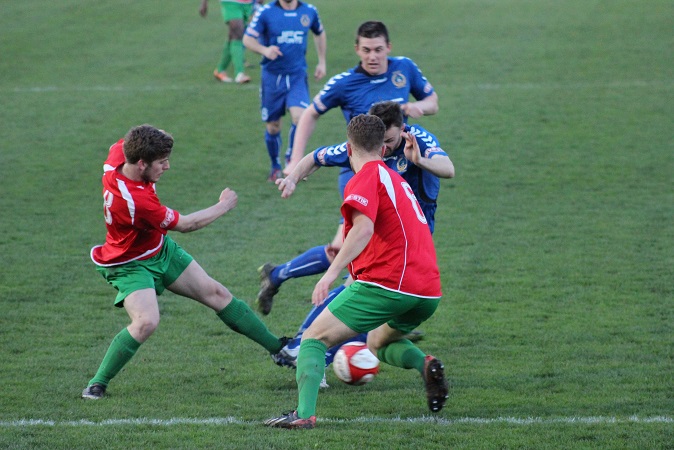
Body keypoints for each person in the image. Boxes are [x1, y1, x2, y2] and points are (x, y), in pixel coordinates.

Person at [264, 114, 449, 429]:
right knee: (377, 342)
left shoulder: (365, 178)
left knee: (313, 339)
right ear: (383, 149)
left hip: (390, 284)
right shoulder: (396, 179)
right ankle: (426, 364)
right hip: (428, 290)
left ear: (349, 149)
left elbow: (363, 230)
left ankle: (304, 415)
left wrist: (330, 274)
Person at [82, 125, 288, 399]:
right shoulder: (135, 201)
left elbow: (140, 135)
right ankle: (97, 383)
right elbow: (187, 225)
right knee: (146, 322)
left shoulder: (120, 154)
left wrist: (160, 138)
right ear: (141, 164)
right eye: (161, 162)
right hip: (129, 264)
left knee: (217, 293)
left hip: (159, 249)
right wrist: (224, 205)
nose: (167, 167)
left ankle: (280, 350)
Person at [255, 20, 438, 310]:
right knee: (351, 248)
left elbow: (433, 101)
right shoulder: (344, 82)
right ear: (357, 50)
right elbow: (310, 114)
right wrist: (294, 160)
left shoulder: (405, 68)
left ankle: (384, 314)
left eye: (378, 49)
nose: (373, 56)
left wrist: (418, 107)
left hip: (397, 170)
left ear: (388, 47)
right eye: (366, 50)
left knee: (387, 245)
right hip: (358, 170)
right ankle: (307, 305)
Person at [257, 101, 453, 316]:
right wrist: (292, 178)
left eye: (389, 141)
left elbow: (448, 169)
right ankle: (306, 334)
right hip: (381, 225)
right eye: (381, 142)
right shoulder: (368, 145)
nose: (383, 149)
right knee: (361, 285)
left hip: (416, 228)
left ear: (402, 128)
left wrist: (419, 160)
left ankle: (283, 286)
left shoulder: (417, 139)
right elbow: (315, 157)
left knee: (384, 290)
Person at [242, 0, 327, 182]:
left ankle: (292, 160)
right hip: (272, 78)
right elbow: (247, 39)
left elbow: (319, 33)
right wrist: (264, 50)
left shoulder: (309, 11)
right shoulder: (266, 12)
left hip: (297, 76)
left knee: (300, 117)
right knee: (273, 126)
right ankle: (275, 166)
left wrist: (322, 62)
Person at [200, 0, 259, 84]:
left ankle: (220, 70)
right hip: (230, 2)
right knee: (238, 33)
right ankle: (240, 73)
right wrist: (204, 3)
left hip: (248, 3)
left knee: (234, 36)